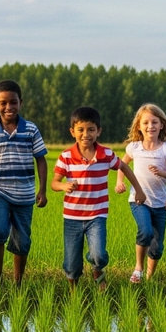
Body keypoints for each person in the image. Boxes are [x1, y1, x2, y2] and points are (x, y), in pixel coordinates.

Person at [51, 106, 145, 290]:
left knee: (99, 255)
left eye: (91, 129)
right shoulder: (66, 156)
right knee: (71, 264)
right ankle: (74, 295)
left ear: (98, 131)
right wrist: (63, 185)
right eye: (81, 130)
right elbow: (54, 183)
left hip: (97, 215)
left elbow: (124, 167)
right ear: (72, 132)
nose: (86, 134)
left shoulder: (106, 155)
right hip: (72, 217)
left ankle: (97, 270)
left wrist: (138, 189)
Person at [0, 79, 48, 287]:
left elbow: (41, 159)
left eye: (13, 102)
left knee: (22, 241)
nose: (9, 107)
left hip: (25, 193)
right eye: (3, 103)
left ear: (20, 103)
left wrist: (42, 190)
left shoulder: (31, 130)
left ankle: (17, 282)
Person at [114, 103, 166, 283]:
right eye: (146, 123)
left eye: (155, 122)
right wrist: (120, 182)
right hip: (139, 200)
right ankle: (138, 268)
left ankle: (148, 278)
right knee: (146, 232)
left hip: (161, 203)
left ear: (161, 125)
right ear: (139, 126)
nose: (150, 126)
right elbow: (122, 166)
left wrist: (162, 172)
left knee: (157, 247)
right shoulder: (134, 147)